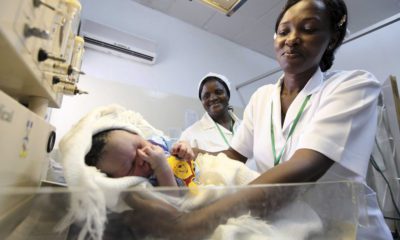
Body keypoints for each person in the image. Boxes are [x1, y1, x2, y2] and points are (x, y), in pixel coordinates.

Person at [122, 0, 392, 239]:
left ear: (332, 38)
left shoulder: (353, 86)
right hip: (281, 225)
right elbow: (233, 155)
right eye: (284, 31)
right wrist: (190, 152)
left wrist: (199, 219)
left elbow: (306, 166)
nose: (292, 39)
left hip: (344, 229)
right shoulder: (263, 97)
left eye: (308, 29)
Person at [84, 129, 197, 187]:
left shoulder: (158, 142)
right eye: (131, 165)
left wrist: (184, 147)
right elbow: (175, 202)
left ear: (137, 135)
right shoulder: (144, 187)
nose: (143, 156)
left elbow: (180, 143)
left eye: (139, 145)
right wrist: (161, 167)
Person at [179, 72, 241, 152]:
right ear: (202, 102)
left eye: (218, 92)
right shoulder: (189, 135)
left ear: (228, 95)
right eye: (206, 96)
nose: (213, 98)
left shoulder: (245, 126)